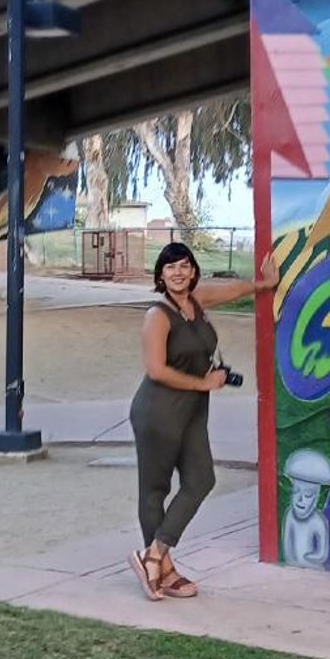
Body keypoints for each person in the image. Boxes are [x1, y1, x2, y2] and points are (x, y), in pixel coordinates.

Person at [128, 240, 278, 600]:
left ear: (193, 271)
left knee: (201, 479)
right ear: (160, 276)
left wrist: (263, 284)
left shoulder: (195, 302)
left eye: (184, 266)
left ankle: (153, 554)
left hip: (193, 410)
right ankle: (162, 570)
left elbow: (230, 290)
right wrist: (204, 382)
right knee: (155, 490)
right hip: (159, 410)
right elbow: (156, 369)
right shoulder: (158, 315)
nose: (178, 273)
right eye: (170, 268)